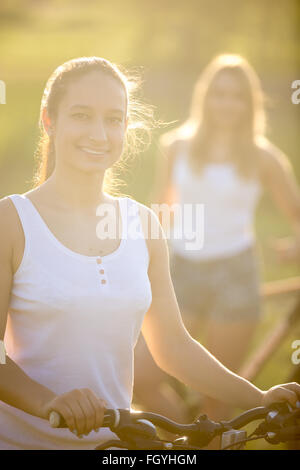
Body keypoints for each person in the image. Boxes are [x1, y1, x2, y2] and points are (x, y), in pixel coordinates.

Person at [0, 56, 299, 450]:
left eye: (113, 119)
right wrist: (48, 403)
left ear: (126, 127)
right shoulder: (12, 219)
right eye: (81, 115)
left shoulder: (143, 224)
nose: (99, 133)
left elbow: (173, 347)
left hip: (116, 448)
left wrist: (257, 398)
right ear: (49, 121)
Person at [133, 54, 300, 425]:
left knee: (219, 398)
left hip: (235, 274)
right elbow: (159, 211)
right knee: (143, 376)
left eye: (237, 96)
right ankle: (186, 437)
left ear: (250, 103)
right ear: (205, 97)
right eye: (219, 94)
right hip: (180, 272)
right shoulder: (176, 146)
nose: (227, 103)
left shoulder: (264, 157)